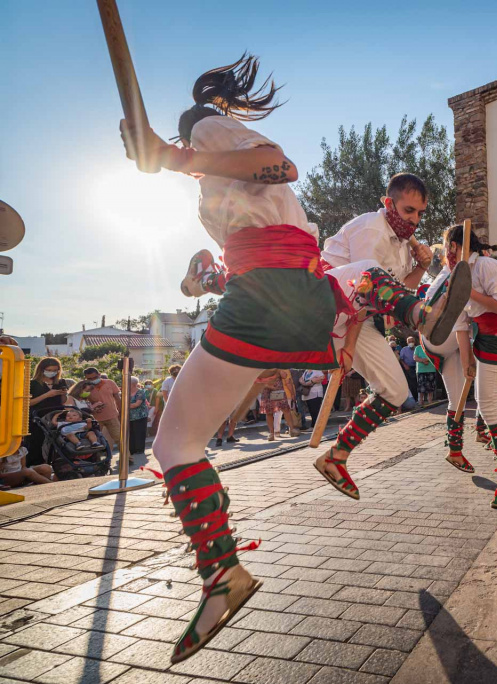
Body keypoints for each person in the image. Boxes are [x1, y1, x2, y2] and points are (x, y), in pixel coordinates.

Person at [115, 54, 342, 662]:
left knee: (173, 446)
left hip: (272, 294)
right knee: (183, 442)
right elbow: (253, 228)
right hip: (285, 294)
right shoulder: (209, 177)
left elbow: (279, 164)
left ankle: (223, 574)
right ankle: (221, 569)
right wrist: (204, 279)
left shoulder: (209, 131)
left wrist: (178, 153)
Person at [315, 172, 471, 500]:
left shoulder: (402, 249)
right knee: (371, 271)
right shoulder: (371, 227)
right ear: (389, 204)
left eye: (419, 213)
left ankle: (336, 457)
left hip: (356, 320)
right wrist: (350, 346)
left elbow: (397, 296)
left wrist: (418, 267)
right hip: (325, 301)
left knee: (396, 391)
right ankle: (425, 317)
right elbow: (363, 289)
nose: (414, 220)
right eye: (407, 210)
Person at [445, 224, 497, 507]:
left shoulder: (490, 266)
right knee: (485, 401)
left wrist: (467, 293)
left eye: (445, 248)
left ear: (453, 246)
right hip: (482, 336)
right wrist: (466, 362)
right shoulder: (456, 275)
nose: (444, 254)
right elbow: (461, 324)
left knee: (486, 403)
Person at [27, 358, 72, 466]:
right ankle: (37, 466)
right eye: (49, 370)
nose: (52, 372)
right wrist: (47, 395)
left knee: (57, 443)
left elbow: (63, 401)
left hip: (56, 416)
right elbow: (28, 403)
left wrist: (63, 394)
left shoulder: (61, 382)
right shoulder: (32, 384)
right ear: (41, 369)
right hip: (38, 418)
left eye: (55, 370)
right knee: (37, 443)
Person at [80, 367, 122, 452]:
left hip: (112, 416)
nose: (92, 380)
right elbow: (82, 401)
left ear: (99, 374)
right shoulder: (85, 387)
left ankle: (127, 458)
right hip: (95, 418)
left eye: (94, 377)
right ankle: (100, 461)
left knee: (119, 439)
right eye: (89, 378)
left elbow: (117, 398)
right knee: (97, 441)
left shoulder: (109, 383)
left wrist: (121, 412)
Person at [256, 369, 293, 441]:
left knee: (285, 409)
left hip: (277, 389)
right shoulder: (260, 367)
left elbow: (284, 376)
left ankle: (292, 429)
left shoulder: (277, 365)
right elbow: (257, 379)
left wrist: (279, 370)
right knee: (269, 412)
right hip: (267, 390)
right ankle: (272, 433)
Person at [127, 377, 149, 456]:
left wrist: (125, 406)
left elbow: (136, 404)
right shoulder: (126, 392)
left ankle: (139, 449)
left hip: (140, 416)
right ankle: (132, 449)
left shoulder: (140, 392)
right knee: (131, 433)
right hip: (129, 416)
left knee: (139, 432)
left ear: (133, 384)